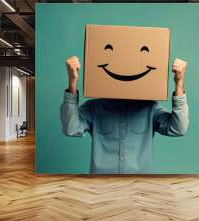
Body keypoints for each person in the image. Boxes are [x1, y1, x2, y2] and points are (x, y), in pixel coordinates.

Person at [61, 56, 189, 174]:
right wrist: (72, 82)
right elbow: (71, 129)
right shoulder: (94, 107)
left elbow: (178, 128)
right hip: (101, 187)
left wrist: (179, 83)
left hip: (140, 188)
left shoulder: (150, 108)